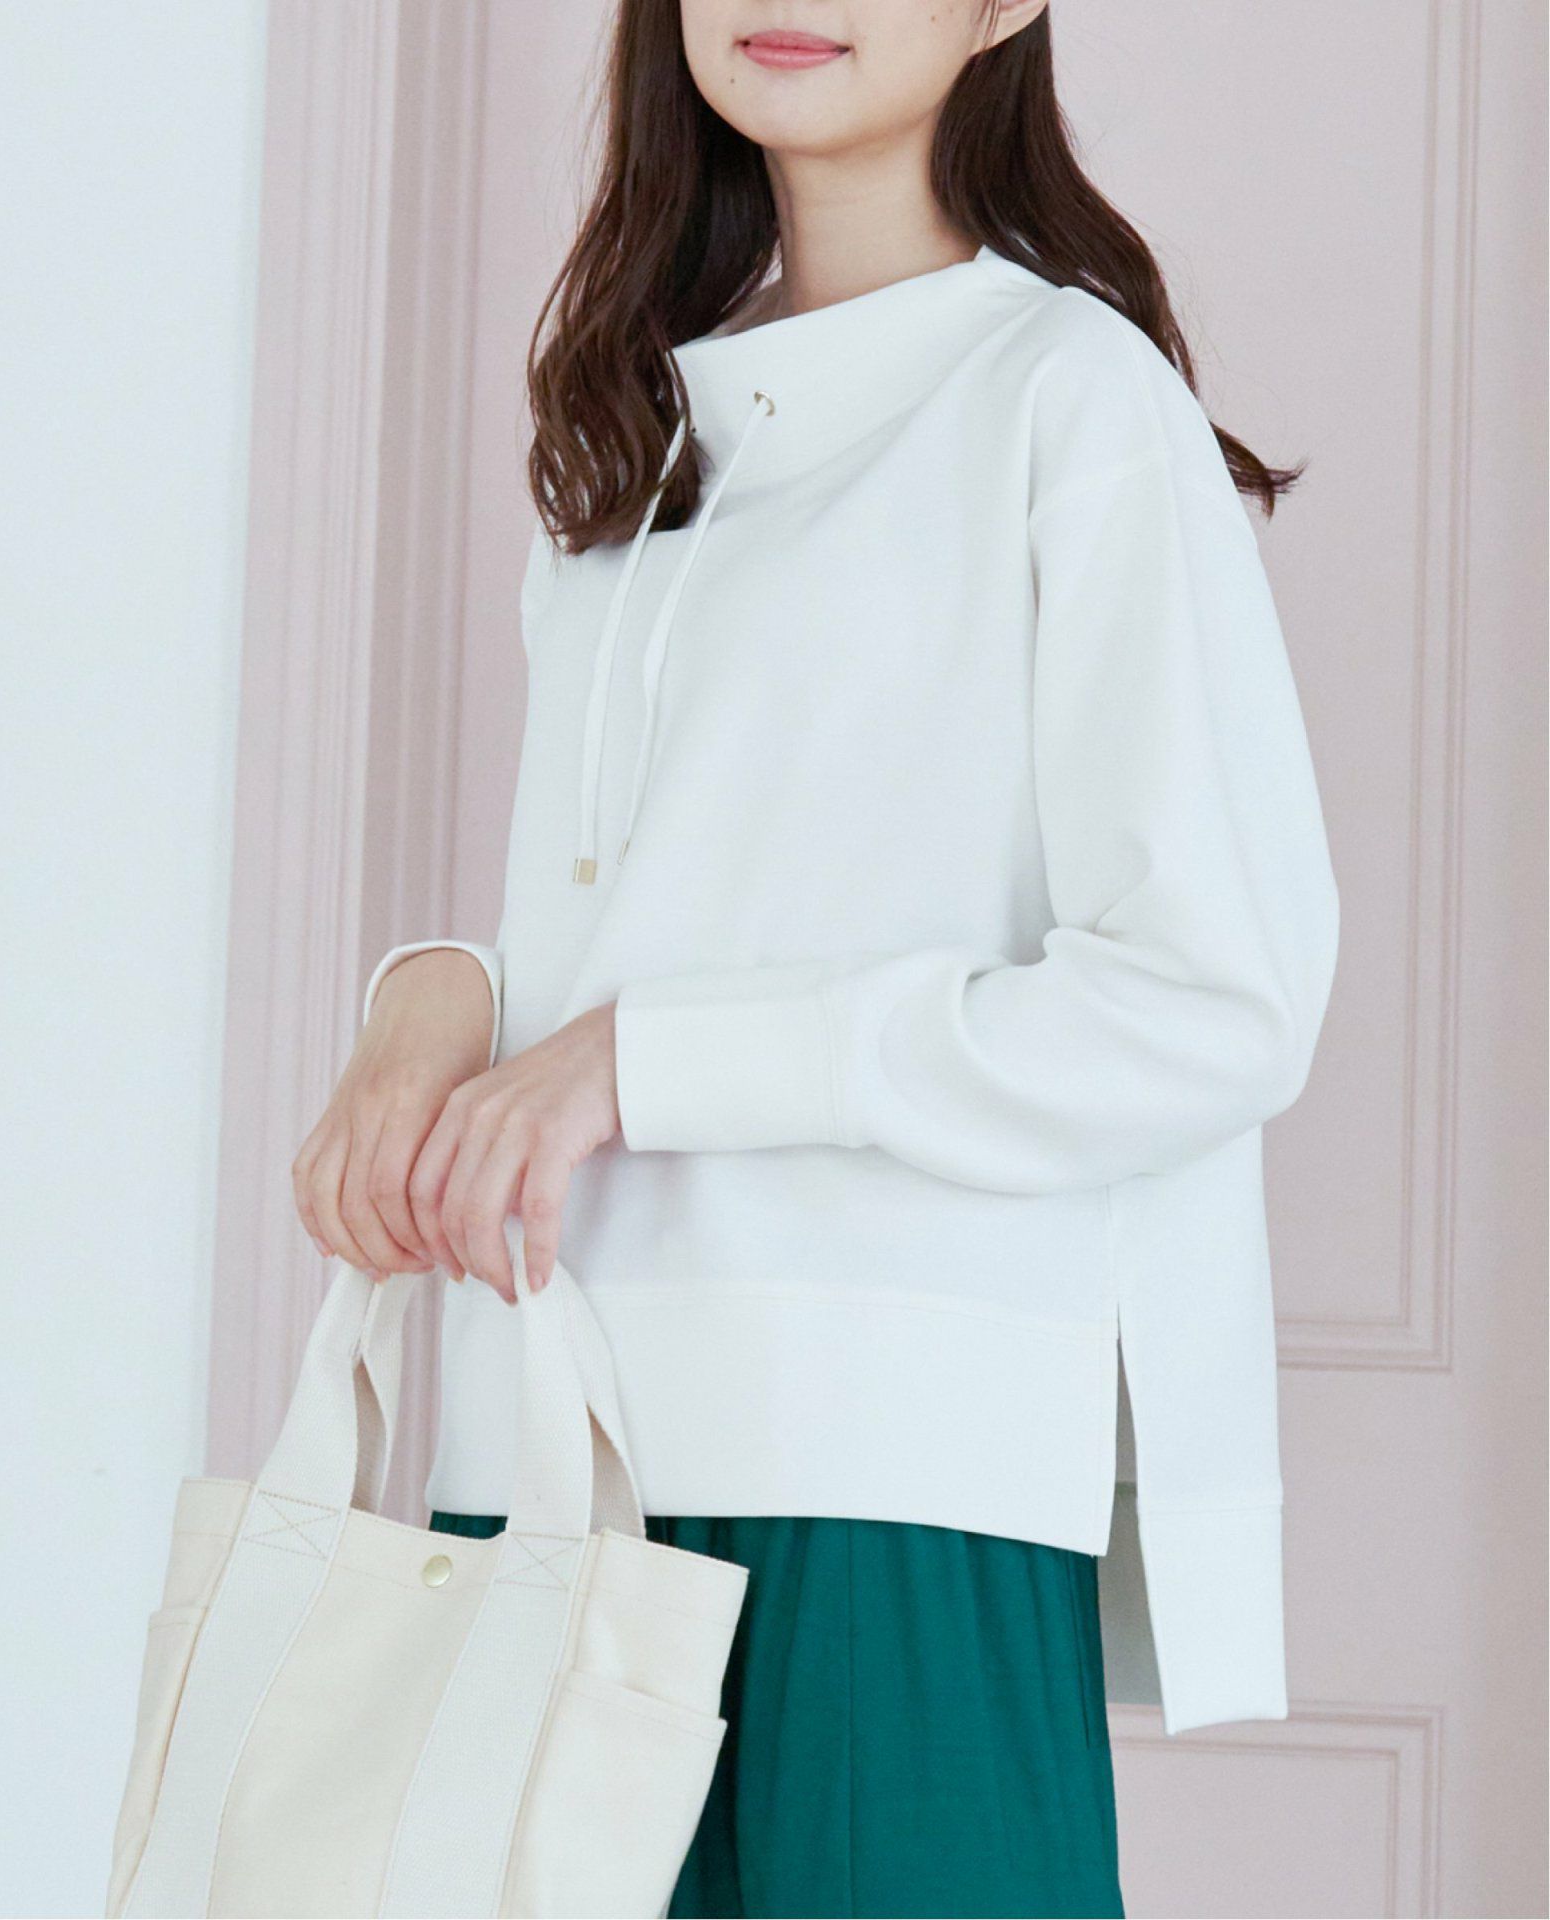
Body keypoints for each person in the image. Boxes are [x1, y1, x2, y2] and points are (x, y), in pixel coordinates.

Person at [291, 3, 1340, 1915]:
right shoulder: (634, 427)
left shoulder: (1067, 397)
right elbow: (682, 913)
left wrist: (640, 1061)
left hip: (888, 1480)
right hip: (553, 1466)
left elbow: (1216, 999)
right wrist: (443, 996)